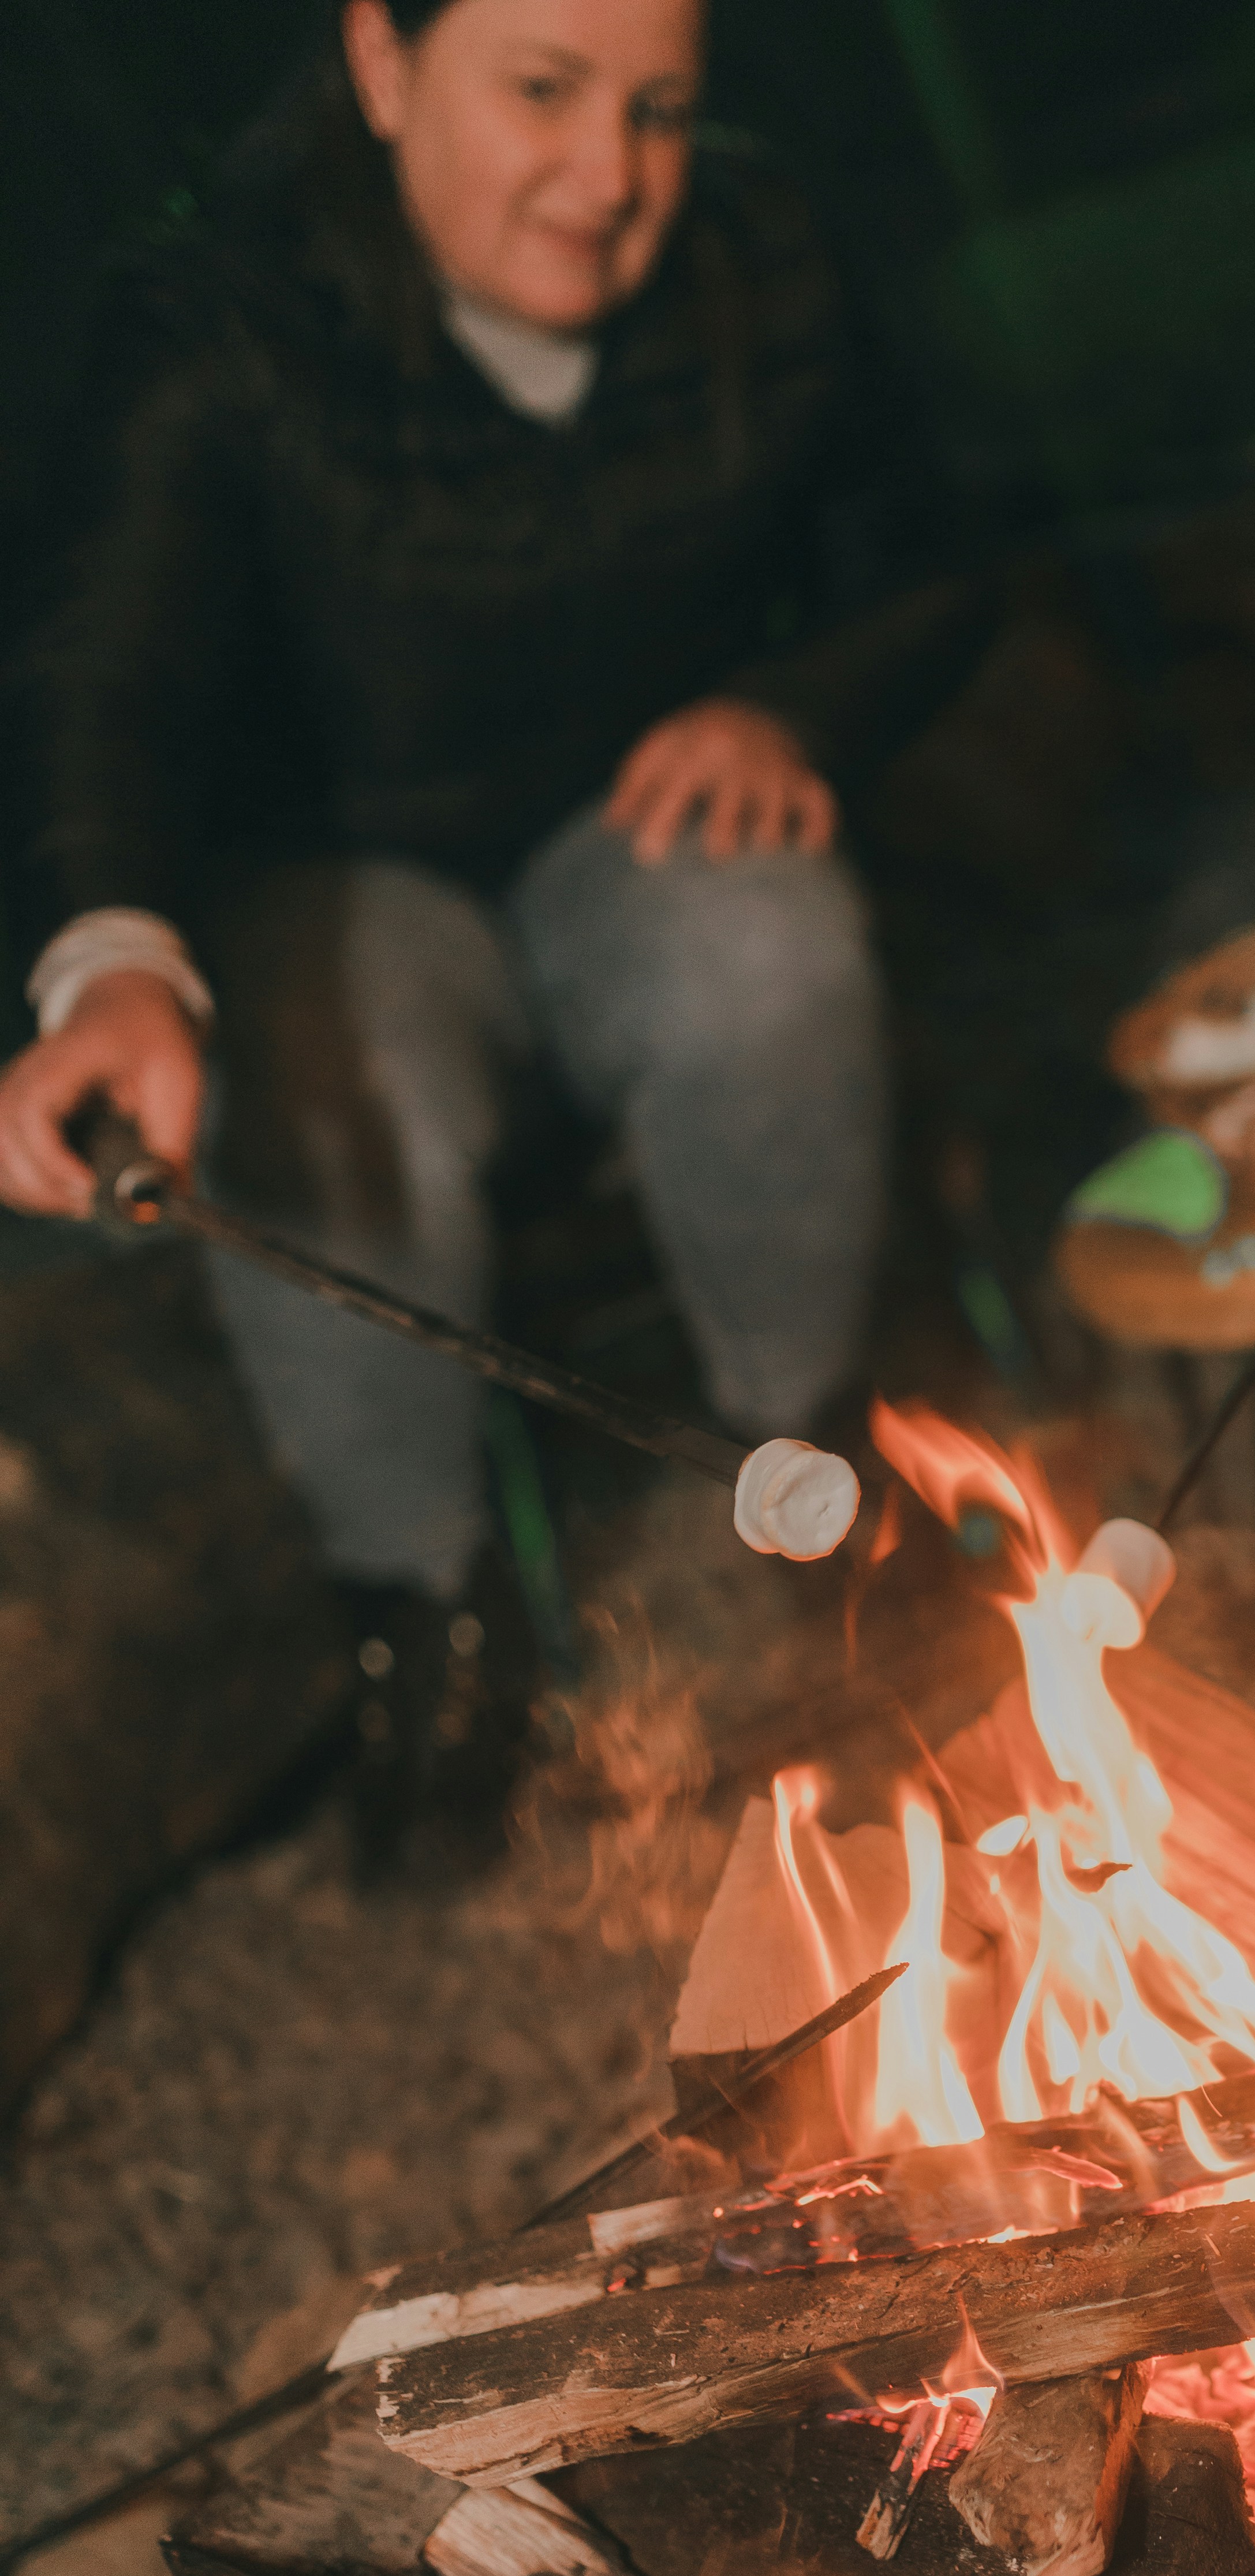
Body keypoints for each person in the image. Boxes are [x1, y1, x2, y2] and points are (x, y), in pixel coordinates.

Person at [0, 0, 983, 1861]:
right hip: (337, 875)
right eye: (543, 90)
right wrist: (111, 956)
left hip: (638, 824)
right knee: (316, 1063)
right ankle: (423, 1621)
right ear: (381, 63)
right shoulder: (215, 316)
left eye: (660, 109)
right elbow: (96, 669)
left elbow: (936, 562)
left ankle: (830, 1506)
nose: (610, 179)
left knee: (763, 940)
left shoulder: (767, 251)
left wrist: (797, 709)